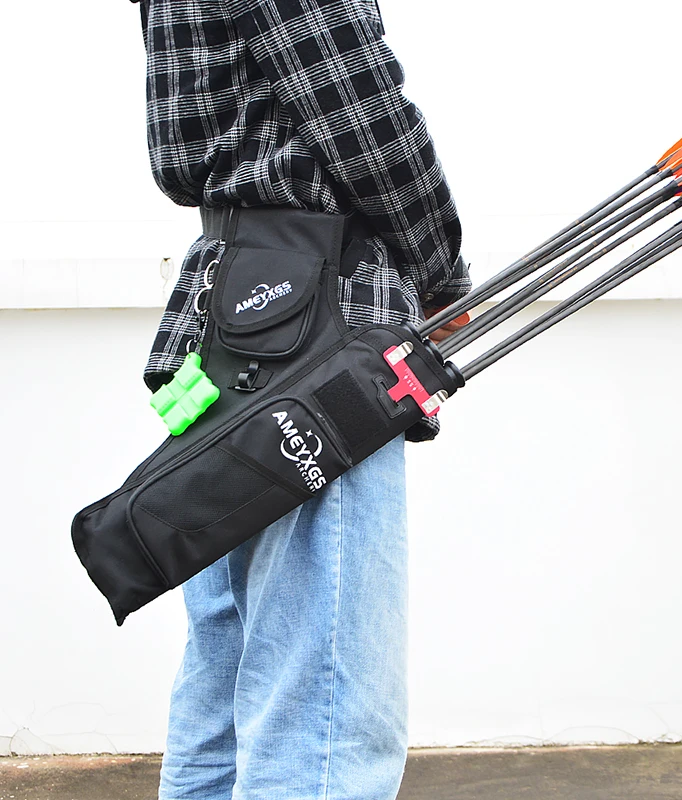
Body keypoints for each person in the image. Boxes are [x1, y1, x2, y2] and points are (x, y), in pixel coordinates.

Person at [132, 0, 470, 798]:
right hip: (318, 327)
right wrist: (439, 273)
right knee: (325, 705)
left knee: (229, 675)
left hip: (234, 312)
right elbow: (362, 115)